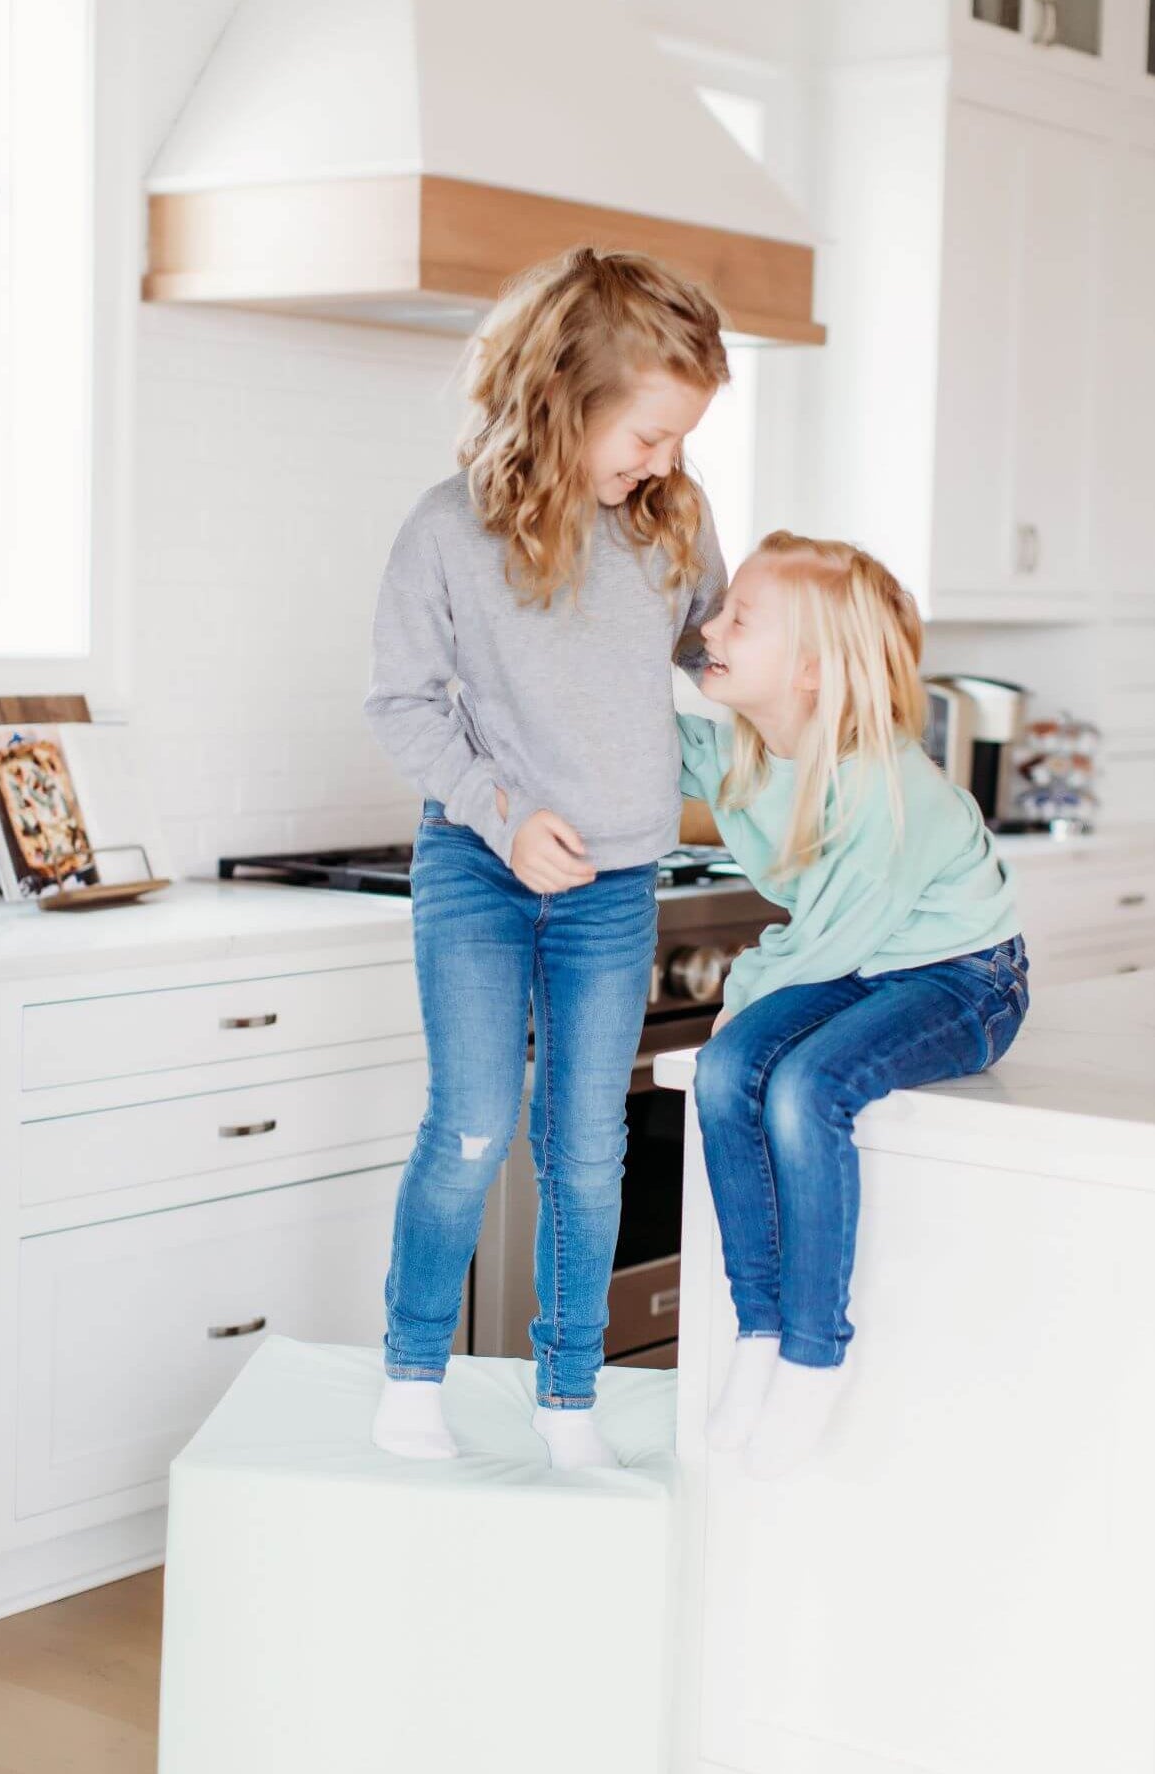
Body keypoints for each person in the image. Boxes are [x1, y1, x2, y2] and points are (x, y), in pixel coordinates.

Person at [363, 247, 729, 1469]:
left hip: (614, 888)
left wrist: (798, 684)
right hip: (478, 869)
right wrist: (499, 807)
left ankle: (568, 1402)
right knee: (470, 1128)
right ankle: (411, 1376)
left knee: (585, 1149)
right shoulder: (447, 531)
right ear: (569, 396)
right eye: (651, 432)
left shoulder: (672, 523)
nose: (666, 461)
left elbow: (712, 655)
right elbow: (402, 704)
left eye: (682, 438)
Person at [679, 532, 1029, 1479]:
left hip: (962, 978)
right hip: (860, 962)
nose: (711, 625)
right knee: (721, 1076)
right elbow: (633, 730)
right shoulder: (747, 752)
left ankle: (811, 1353)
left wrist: (736, 994)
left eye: (736, 617)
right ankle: (757, 1329)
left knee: (803, 1088)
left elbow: (822, 944)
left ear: (807, 670)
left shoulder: (883, 787)